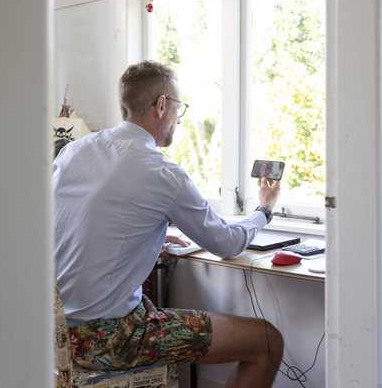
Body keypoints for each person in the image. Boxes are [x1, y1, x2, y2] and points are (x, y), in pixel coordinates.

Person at [53, 60, 283, 387]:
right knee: (267, 341)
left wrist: (146, 240)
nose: (179, 117)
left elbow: (70, 224)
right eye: (179, 107)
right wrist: (264, 209)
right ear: (162, 106)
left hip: (52, 330)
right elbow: (226, 244)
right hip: (109, 337)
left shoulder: (74, 151)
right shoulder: (160, 172)